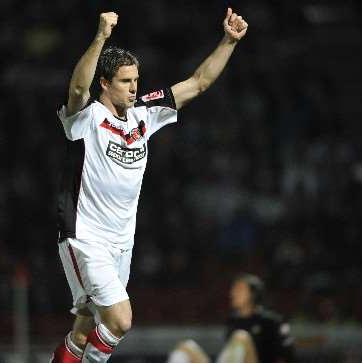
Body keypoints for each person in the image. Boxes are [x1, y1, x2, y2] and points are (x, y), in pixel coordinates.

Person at [51, 9, 248, 363]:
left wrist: (228, 42)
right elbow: (78, 87)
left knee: (83, 330)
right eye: (125, 81)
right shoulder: (87, 118)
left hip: (121, 245)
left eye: (136, 80)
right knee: (120, 320)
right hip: (86, 237)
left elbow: (199, 82)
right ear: (106, 83)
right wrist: (100, 37)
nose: (134, 88)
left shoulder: (145, 112)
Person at [215, 274, 295, 363]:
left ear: (252, 294)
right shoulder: (232, 321)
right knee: (195, 350)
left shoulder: (271, 321)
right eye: (233, 289)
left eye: (239, 289)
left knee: (240, 337)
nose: (232, 293)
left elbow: (286, 355)